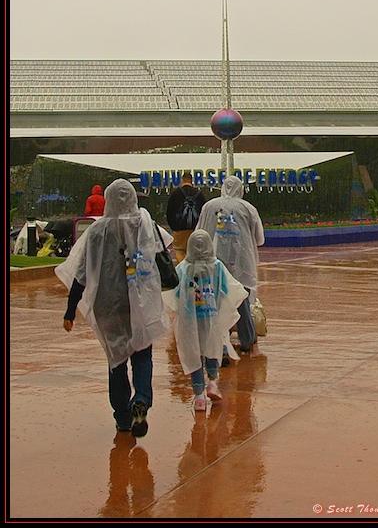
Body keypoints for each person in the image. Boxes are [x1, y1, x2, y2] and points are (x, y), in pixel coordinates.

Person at [55, 178, 172, 437]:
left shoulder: (97, 231)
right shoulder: (145, 225)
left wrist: (70, 308)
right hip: (140, 301)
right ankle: (141, 397)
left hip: (107, 305)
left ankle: (122, 417)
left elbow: (82, 273)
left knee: (116, 360)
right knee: (142, 354)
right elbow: (163, 254)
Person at [162, 229, 248, 412]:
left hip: (189, 321)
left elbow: (174, 292)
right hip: (211, 318)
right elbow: (227, 290)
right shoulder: (217, 267)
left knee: (193, 353)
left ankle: (199, 396)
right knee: (212, 348)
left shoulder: (183, 268)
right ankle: (212, 382)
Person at [196, 175, 265, 358]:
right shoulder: (248, 208)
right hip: (242, 264)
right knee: (241, 300)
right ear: (240, 189)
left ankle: (222, 344)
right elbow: (259, 238)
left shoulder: (209, 206)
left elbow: (199, 234)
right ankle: (247, 341)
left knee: (217, 302)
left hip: (214, 263)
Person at [166, 172, 206, 264]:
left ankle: (182, 272)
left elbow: (169, 212)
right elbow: (203, 211)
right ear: (192, 181)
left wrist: (174, 228)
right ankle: (192, 273)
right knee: (194, 252)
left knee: (179, 251)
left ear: (182, 180)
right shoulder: (199, 194)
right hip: (195, 229)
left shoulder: (175, 193)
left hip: (179, 230)